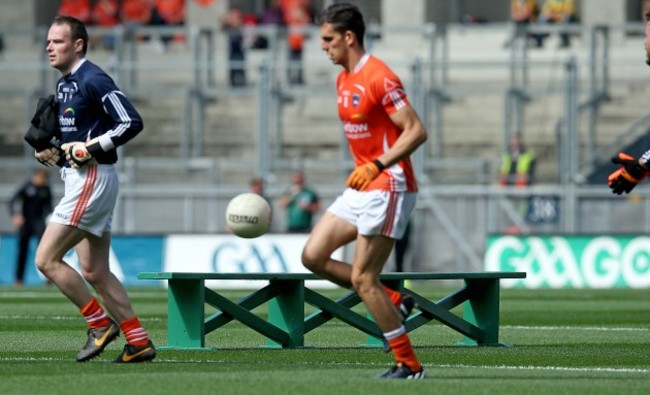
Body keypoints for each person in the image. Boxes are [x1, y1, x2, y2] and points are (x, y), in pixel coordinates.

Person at [301, 3, 427, 379]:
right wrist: (366, 167)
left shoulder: (380, 77)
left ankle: (409, 363)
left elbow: (416, 130)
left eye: (328, 39)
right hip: (362, 183)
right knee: (313, 255)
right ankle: (394, 300)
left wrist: (378, 164)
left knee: (362, 278)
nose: (323, 47)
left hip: (388, 184)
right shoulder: (343, 79)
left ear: (348, 37)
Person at [33, 15, 156, 363]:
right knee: (95, 271)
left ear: (78, 45)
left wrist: (91, 148)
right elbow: (74, 141)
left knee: (46, 259)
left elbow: (131, 121)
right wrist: (51, 148)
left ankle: (99, 324)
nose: (49, 47)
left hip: (92, 177)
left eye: (57, 41)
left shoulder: (93, 78)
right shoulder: (66, 83)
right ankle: (138, 340)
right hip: (82, 176)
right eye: (48, 41)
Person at [8, 169, 52, 287]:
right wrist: (15, 215)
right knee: (22, 251)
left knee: (44, 251)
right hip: (26, 223)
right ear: (36, 176)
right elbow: (12, 201)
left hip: (39, 222)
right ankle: (18, 279)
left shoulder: (45, 189)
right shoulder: (27, 186)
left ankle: (48, 278)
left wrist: (49, 218)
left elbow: (49, 206)